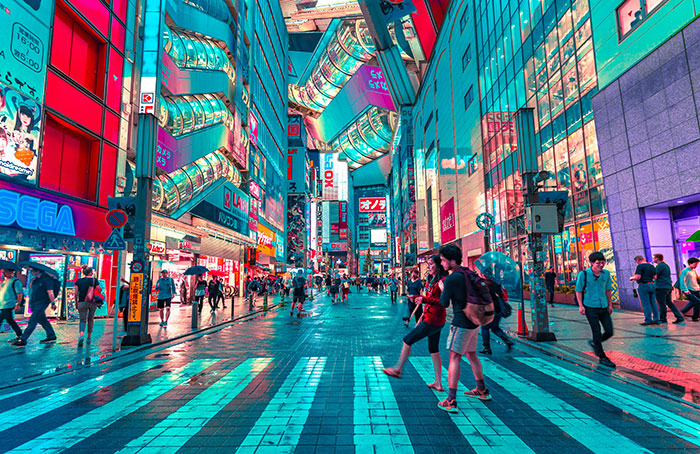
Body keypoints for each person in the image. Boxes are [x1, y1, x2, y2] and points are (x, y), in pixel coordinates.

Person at [438, 244, 492, 412]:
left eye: (443, 260)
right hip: (474, 320)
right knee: (472, 354)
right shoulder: (468, 272)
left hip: (461, 322)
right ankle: (481, 389)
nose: (442, 264)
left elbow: (444, 303)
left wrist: (442, 288)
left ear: (452, 261)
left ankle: (451, 400)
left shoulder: (452, 278)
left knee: (454, 358)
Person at [383, 255, 447, 390]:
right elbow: (430, 298)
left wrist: (424, 300)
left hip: (433, 320)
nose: (428, 267)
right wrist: (420, 299)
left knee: (407, 340)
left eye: (431, 264)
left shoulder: (441, 281)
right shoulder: (432, 280)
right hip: (434, 318)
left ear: (439, 265)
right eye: (428, 264)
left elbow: (444, 302)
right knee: (433, 349)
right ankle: (438, 383)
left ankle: (398, 369)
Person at [575, 251, 616, 368]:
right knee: (596, 331)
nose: (601, 265)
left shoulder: (606, 274)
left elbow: (608, 290)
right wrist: (581, 306)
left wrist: (610, 305)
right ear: (591, 263)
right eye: (598, 263)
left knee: (609, 331)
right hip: (590, 307)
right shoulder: (584, 274)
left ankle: (595, 343)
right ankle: (602, 356)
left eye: (603, 263)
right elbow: (578, 290)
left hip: (603, 307)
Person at [12, 268, 57, 346]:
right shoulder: (35, 279)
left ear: (38, 270)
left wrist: (53, 303)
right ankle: (51, 335)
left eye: (32, 270)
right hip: (34, 303)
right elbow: (31, 289)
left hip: (42, 303)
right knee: (42, 319)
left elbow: (50, 292)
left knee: (33, 321)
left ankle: (23, 339)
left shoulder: (47, 279)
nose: (31, 272)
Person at [479, 275, 514, 354]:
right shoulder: (497, 285)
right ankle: (507, 340)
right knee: (495, 328)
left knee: (484, 328)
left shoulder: (485, 285)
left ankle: (486, 347)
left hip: (489, 309)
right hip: (498, 309)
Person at [73, 266, 102, 346]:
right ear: (91, 273)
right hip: (92, 302)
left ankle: (81, 335)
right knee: (90, 319)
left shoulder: (78, 281)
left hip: (82, 302)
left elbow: (76, 293)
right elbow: (99, 290)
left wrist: (76, 303)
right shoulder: (94, 280)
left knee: (82, 320)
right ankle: (89, 337)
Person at [653, 254, 684, 324]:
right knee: (669, 303)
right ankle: (679, 317)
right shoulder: (666, 265)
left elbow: (655, 276)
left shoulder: (659, 266)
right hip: (668, 286)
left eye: (654, 258)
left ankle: (663, 319)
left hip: (661, 287)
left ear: (657, 258)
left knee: (662, 304)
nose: (653, 259)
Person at [630, 255, 658, 325]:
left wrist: (632, 278)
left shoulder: (640, 266)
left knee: (646, 303)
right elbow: (655, 277)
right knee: (653, 303)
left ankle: (648, 320)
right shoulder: (651, 266)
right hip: (652, 284)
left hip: (643, 285)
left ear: (637, 260)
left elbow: (638, 277)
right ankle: (656, 319)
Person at [0, 267, 23, 343]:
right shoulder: (4, 282)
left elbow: (19, 293)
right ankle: (20, 334)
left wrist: (18, 304)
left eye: (5, 272)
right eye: (2, 272)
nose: (3, 274)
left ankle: (20, 335)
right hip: (2, 305)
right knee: (10, 320)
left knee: (2, 319)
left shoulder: (15, 281)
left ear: (11, 272)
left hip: (8, 304)